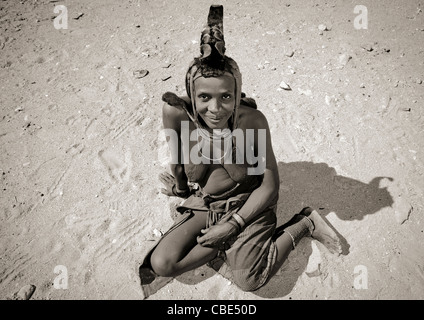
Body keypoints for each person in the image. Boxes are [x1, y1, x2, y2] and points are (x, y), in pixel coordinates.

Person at [139, 5, 342, 296]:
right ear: (191, 93)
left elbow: (270, 185)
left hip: (246, 202)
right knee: (162, 263)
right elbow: (178, 158)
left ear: (237, 94)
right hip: (208, 202)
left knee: (251, 281)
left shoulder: (252, 122)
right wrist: (182, 188)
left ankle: (304, 223)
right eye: (204, 97)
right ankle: (228, 245)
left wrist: (234, 224)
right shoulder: (176, 113)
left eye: (226, 97)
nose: (215, 109)